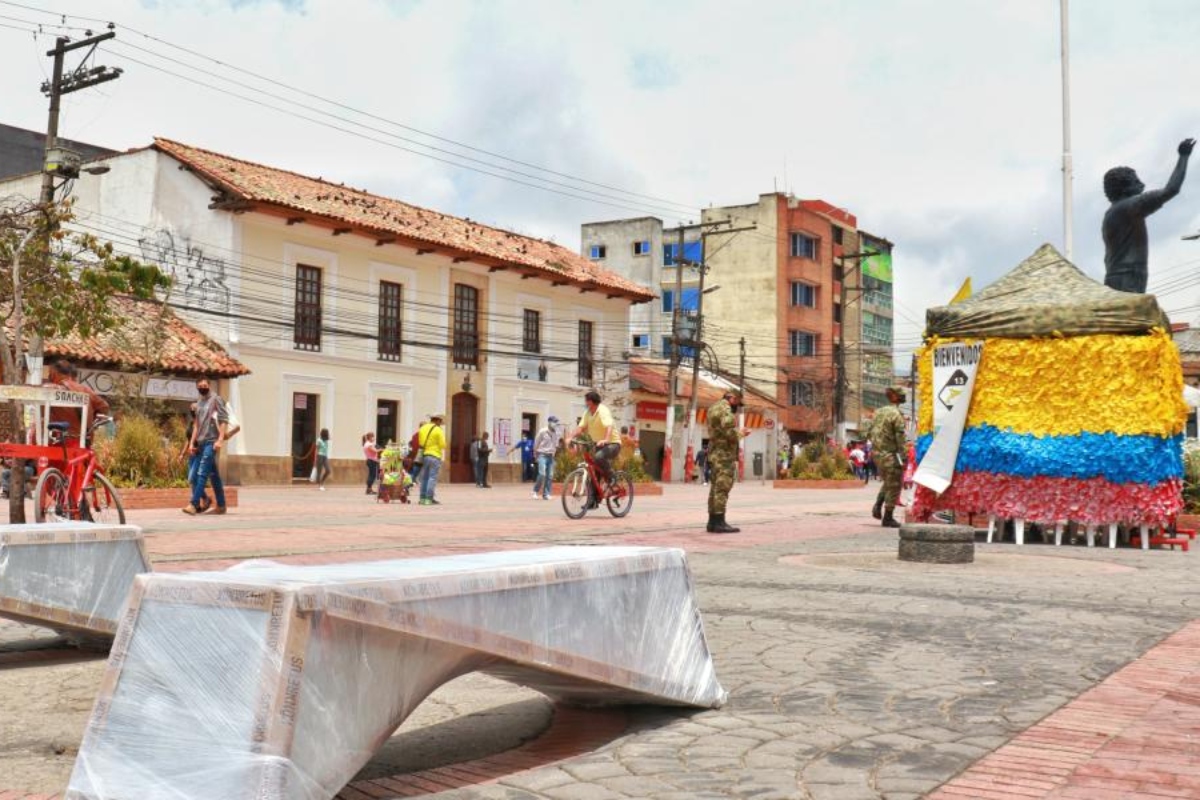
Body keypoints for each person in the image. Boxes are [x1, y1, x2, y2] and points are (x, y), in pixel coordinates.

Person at [1103, 138, 1194, 293]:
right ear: (1124, 188)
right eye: (1136, 181)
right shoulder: (1131, 205)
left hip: (1121, 275)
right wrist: (1183, 157)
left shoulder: (1113, 212)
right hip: (1128, 276)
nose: (1142, 185)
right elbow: (1171, 190)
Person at [182, 377, 229, 515]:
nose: (202, 387)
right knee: (213, 476)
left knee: (201, 473)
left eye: (204, 385)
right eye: (200, 386)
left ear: (209, 385)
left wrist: (220, 439)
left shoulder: (216, 399)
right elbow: (196, 424)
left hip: (211, 441)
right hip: (201, 443)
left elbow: (223, 419)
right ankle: (221, 505)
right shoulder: (199, 402)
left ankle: (194, 503)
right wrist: (192, 442)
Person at [706, 389, 748, 533]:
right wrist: (741, 433)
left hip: (714, 453)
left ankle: (712, 522)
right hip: (724, 456)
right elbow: (729, 433)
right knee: (722, 488)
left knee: (714, 489)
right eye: (737, 403)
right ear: (732, 398)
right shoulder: (726, 409)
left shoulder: (713, 408)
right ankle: (719, 522)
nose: (737, 407)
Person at [569, 390, 621, 504]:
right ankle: (593, 501)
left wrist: (606, 439)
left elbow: (609, 426)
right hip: (597, 444)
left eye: (586, 401)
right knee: (593, 471)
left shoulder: (603, 410)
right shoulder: (587, 413)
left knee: (598, 457)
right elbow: (581, 428)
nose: (585, 403)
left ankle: (612, 478)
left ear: (591, 402)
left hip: (613, 444)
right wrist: (570, 437)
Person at [869, 386, 908, 528]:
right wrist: (903, 457)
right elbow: (900, 439)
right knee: (895, 484)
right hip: (890, 454)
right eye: (901, 394)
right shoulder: (896, 415)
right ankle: (888, 517)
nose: (904, 396)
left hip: (877, 454)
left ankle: (878, 505)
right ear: (895, 396)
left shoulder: (878, 412)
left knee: (888, 482)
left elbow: (869, 432)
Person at [45, 359, 110, 442]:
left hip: (59, 441)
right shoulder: (85, 390)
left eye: (50, 374)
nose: (49, 377)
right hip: (83, 440)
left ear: (55, 373)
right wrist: (89, 420)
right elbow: (104, 406)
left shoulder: (51, 390)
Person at [179, 402, 214, 512]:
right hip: (191, 456)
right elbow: (188, 440)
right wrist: (182, 454)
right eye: (191, 408)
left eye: (195, 408)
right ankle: (200, 503)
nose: (192, 410)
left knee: (192, 478)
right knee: (194, 480)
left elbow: (205, 441)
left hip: (199, 454)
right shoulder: (191, 424)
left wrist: (197, 449)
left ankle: (199, 501)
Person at [416, 412, 446, 506]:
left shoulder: (423, 428)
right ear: (437, 420)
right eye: (440, 422)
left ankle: (422, 498)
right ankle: (429, 498)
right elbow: (443, 444)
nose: (440, 423)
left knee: (424, 478)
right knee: (432, 478)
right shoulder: (438, 430)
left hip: (425, 455)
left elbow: (421, 442)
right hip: (435, 455)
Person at [532, 415, 560, 500]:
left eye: (556, 422)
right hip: (542, 455)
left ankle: (546, 494)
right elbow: (536, 442)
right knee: (542, 474)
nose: (555, 424)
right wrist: (535, 453)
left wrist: (554, 454)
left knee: (550, 475)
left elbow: (555, 445)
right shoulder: (542, 431)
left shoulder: (556, 433)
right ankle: (535, 491)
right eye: (554, 422)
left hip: (551, 456)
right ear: (549, 422)